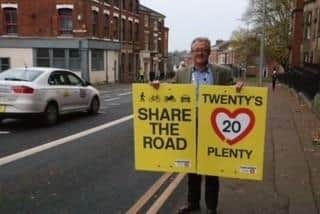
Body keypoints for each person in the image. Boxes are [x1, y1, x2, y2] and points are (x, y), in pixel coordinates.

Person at [151, 37, 243, 214]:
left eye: (204, 49)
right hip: (190, 128)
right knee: (191, 168)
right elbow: (170, 93)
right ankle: (193, 203)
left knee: (211, 170)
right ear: (191, 53)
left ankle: (211, 207)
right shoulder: (182, 74)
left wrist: (239, 87)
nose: (200, 52)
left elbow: (233, 93)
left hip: (213, 129)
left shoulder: (222, 73)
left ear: (208, 52)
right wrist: (157, 87)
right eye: (197, 50)